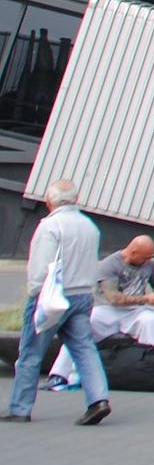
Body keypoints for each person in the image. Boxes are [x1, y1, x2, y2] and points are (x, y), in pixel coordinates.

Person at [6, 177, 111, 425]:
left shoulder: (50, 226)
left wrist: (34, 294)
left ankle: (20, 408)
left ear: (49, 201)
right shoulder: (89, 226)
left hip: (53, 297)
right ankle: (99, 399)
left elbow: (41, 268)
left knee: (31, 352)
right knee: (84, 348)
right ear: (76, 200)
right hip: (83, 295)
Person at [53, 234, 154, 389]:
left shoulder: (148, 264)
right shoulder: (109, 265)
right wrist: (146, 299)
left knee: (150, 320)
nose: (147, 261)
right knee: (82, 326)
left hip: (136, 311)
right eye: (145, 257)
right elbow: (114, 299)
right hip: (106, 309)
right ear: (133, 252)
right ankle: (60, 374)